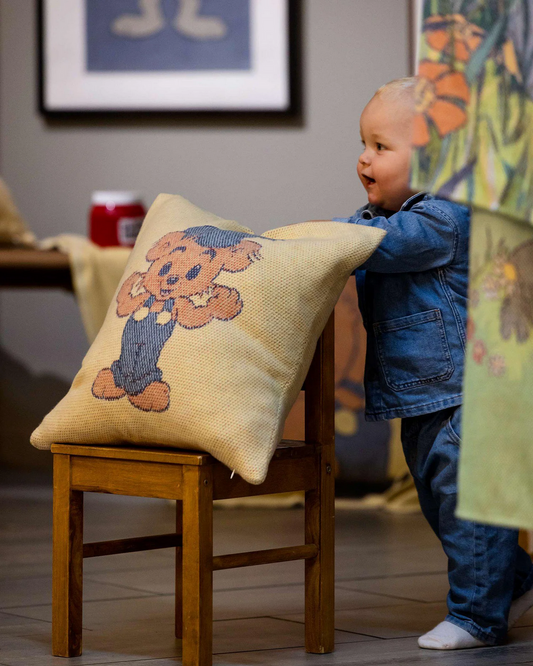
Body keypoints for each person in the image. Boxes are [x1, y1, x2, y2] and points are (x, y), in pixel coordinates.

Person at [333, 77, 533, 650]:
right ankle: (517, 579)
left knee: (465, 503)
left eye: (379, 146)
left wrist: (314, 240)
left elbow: (383, 245)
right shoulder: (388, 218)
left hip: (466, 390)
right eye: (363, 144)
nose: (363, 158)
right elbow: (369, 237)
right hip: (423, 393)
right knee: (439, 502)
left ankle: (476, 616)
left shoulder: (446, 218)